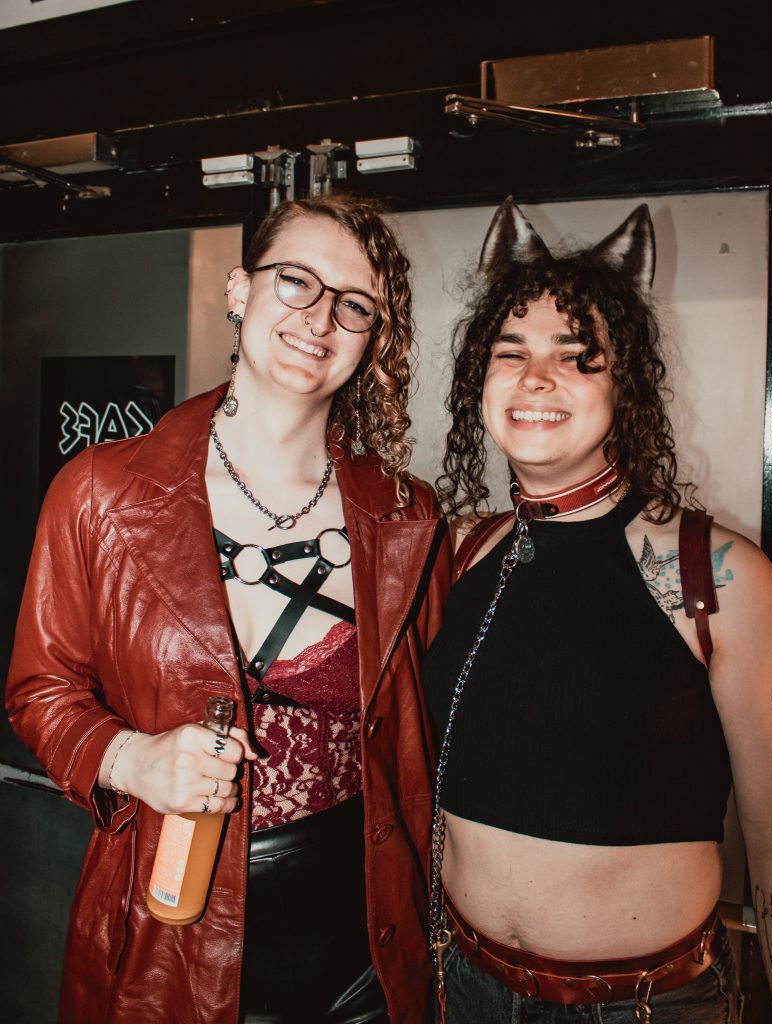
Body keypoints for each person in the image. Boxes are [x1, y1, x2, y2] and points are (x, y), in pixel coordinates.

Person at [6, 193, 450, 1024]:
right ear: (239, 290)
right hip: (172, 930)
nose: (320, 317)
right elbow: (40, 692)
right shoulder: (100, 491)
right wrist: (129, 759)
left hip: (367, 943)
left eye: (353, 304)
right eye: (295, 282)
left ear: (372, 335)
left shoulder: (407, 517)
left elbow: (439, 733)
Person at [424, 199, 772, 1023]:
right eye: (509, 354)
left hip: (646, 1007)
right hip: (459, 982)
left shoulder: (717, 576)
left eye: (577, 357)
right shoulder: (460, 552)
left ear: (626, 383)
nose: (536, 379)